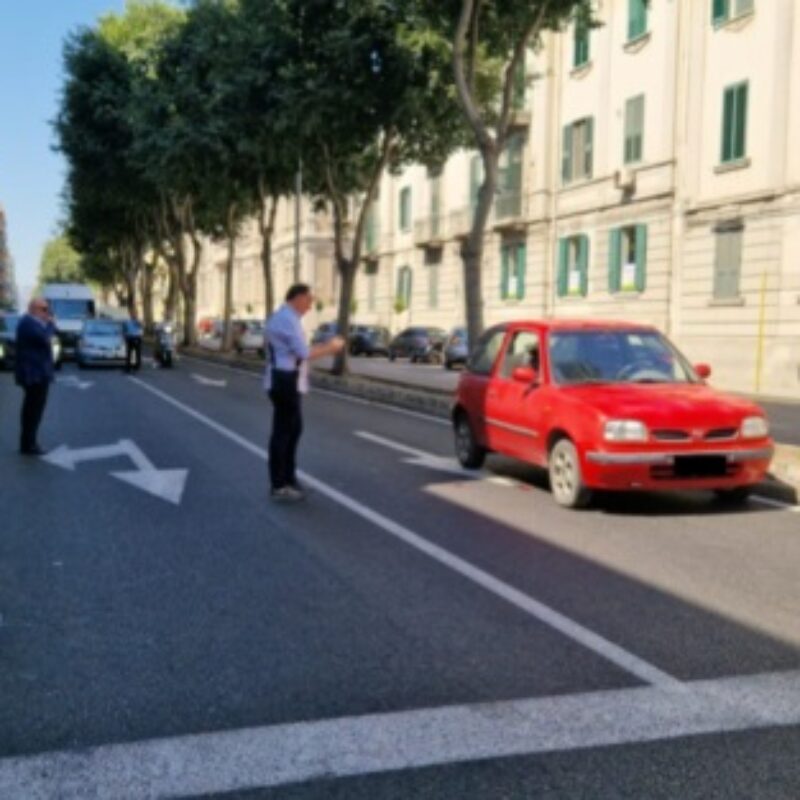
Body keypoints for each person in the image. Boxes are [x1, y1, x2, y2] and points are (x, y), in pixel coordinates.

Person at [264, 284, 344, 502]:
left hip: (283, 378)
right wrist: (331, 347)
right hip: (284, 379)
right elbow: (303, 352)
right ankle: (280, 484)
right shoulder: (287, 320)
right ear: (298, 297)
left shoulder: (284, 318)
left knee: (292, 430)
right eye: (309, 300)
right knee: (285, 433)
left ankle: (288, 479)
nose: (310, 306)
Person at [15, 297, 57, 456]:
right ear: (33, 309)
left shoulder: (34, 323)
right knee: (33, 410)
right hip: (33, 374)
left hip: (38, 373)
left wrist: (48, 324)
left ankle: (29, 442)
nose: (47, 313)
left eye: (48, 309)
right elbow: (45, 339)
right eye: (44, 309)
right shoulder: (27, 323)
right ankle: (28, 444)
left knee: (34, 410)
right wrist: (51, 324)